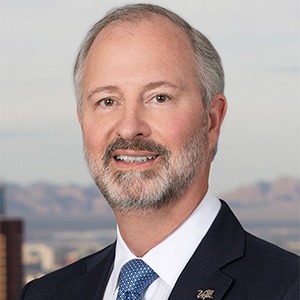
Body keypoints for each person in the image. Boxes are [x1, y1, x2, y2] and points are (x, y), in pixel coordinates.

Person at [19, 3, 299, 300]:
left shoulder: (288, 288)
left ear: (212, 120)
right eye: (107, 101)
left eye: (159, 98)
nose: (129, 128)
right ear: (81, 120)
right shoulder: (45, 294)